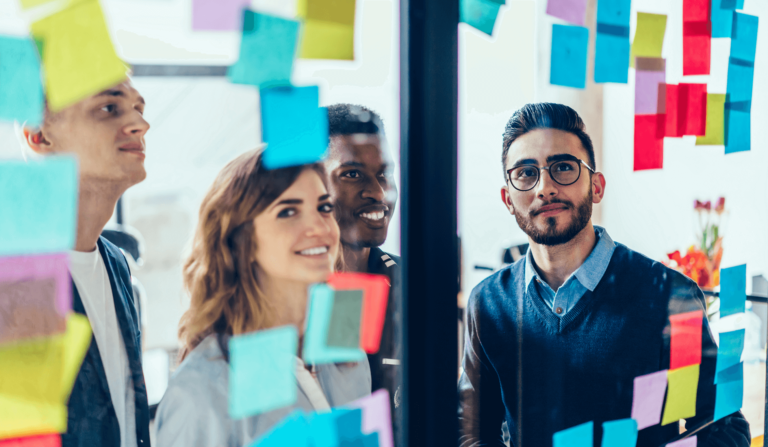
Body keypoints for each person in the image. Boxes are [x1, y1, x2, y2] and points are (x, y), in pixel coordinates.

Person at [457, 103, 751, 447]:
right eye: (525, 173)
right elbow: (471, 431)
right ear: (508, 199)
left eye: (563, 167)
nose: (544, 187)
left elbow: (723, 425)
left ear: (596, 186)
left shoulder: (671, 299)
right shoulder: (489, 304)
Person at [154, 149, 371, 446]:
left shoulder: (344, 351)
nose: (320, 228)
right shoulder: (202, 390)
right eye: (288, 212)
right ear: (242, 239)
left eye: (324, 207)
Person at [24, 80, 152, 447]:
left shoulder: (118, 266)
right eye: (109, 108)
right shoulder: (14, 275)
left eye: (139, 109)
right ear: (39, 136)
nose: (141, 124)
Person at [323, 104, 402, 422]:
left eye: (385, 174)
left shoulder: (416, 286)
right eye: (353, 174)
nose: (378, 192)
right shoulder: (287, 295)